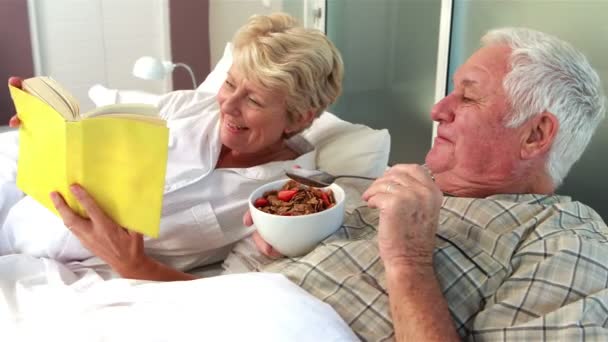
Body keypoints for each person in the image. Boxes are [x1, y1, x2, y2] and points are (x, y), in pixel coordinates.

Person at [245, 27, 608, 341]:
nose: (437, 110)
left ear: (535, 134)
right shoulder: (413, 184)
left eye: (467, 96)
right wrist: (296, 238)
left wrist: (410, 261)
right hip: (236, 303)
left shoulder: (567, 241)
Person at [0, 13, 343, 281]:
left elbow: (238, 289)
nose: (228, 105)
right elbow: (88, 139)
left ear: (298, 118)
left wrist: (135, 265)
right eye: (230, 83)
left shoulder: (292, 201)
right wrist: (41, 130)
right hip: (19, 218)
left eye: (253, 99)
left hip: (69, 274)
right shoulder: (188, 107)